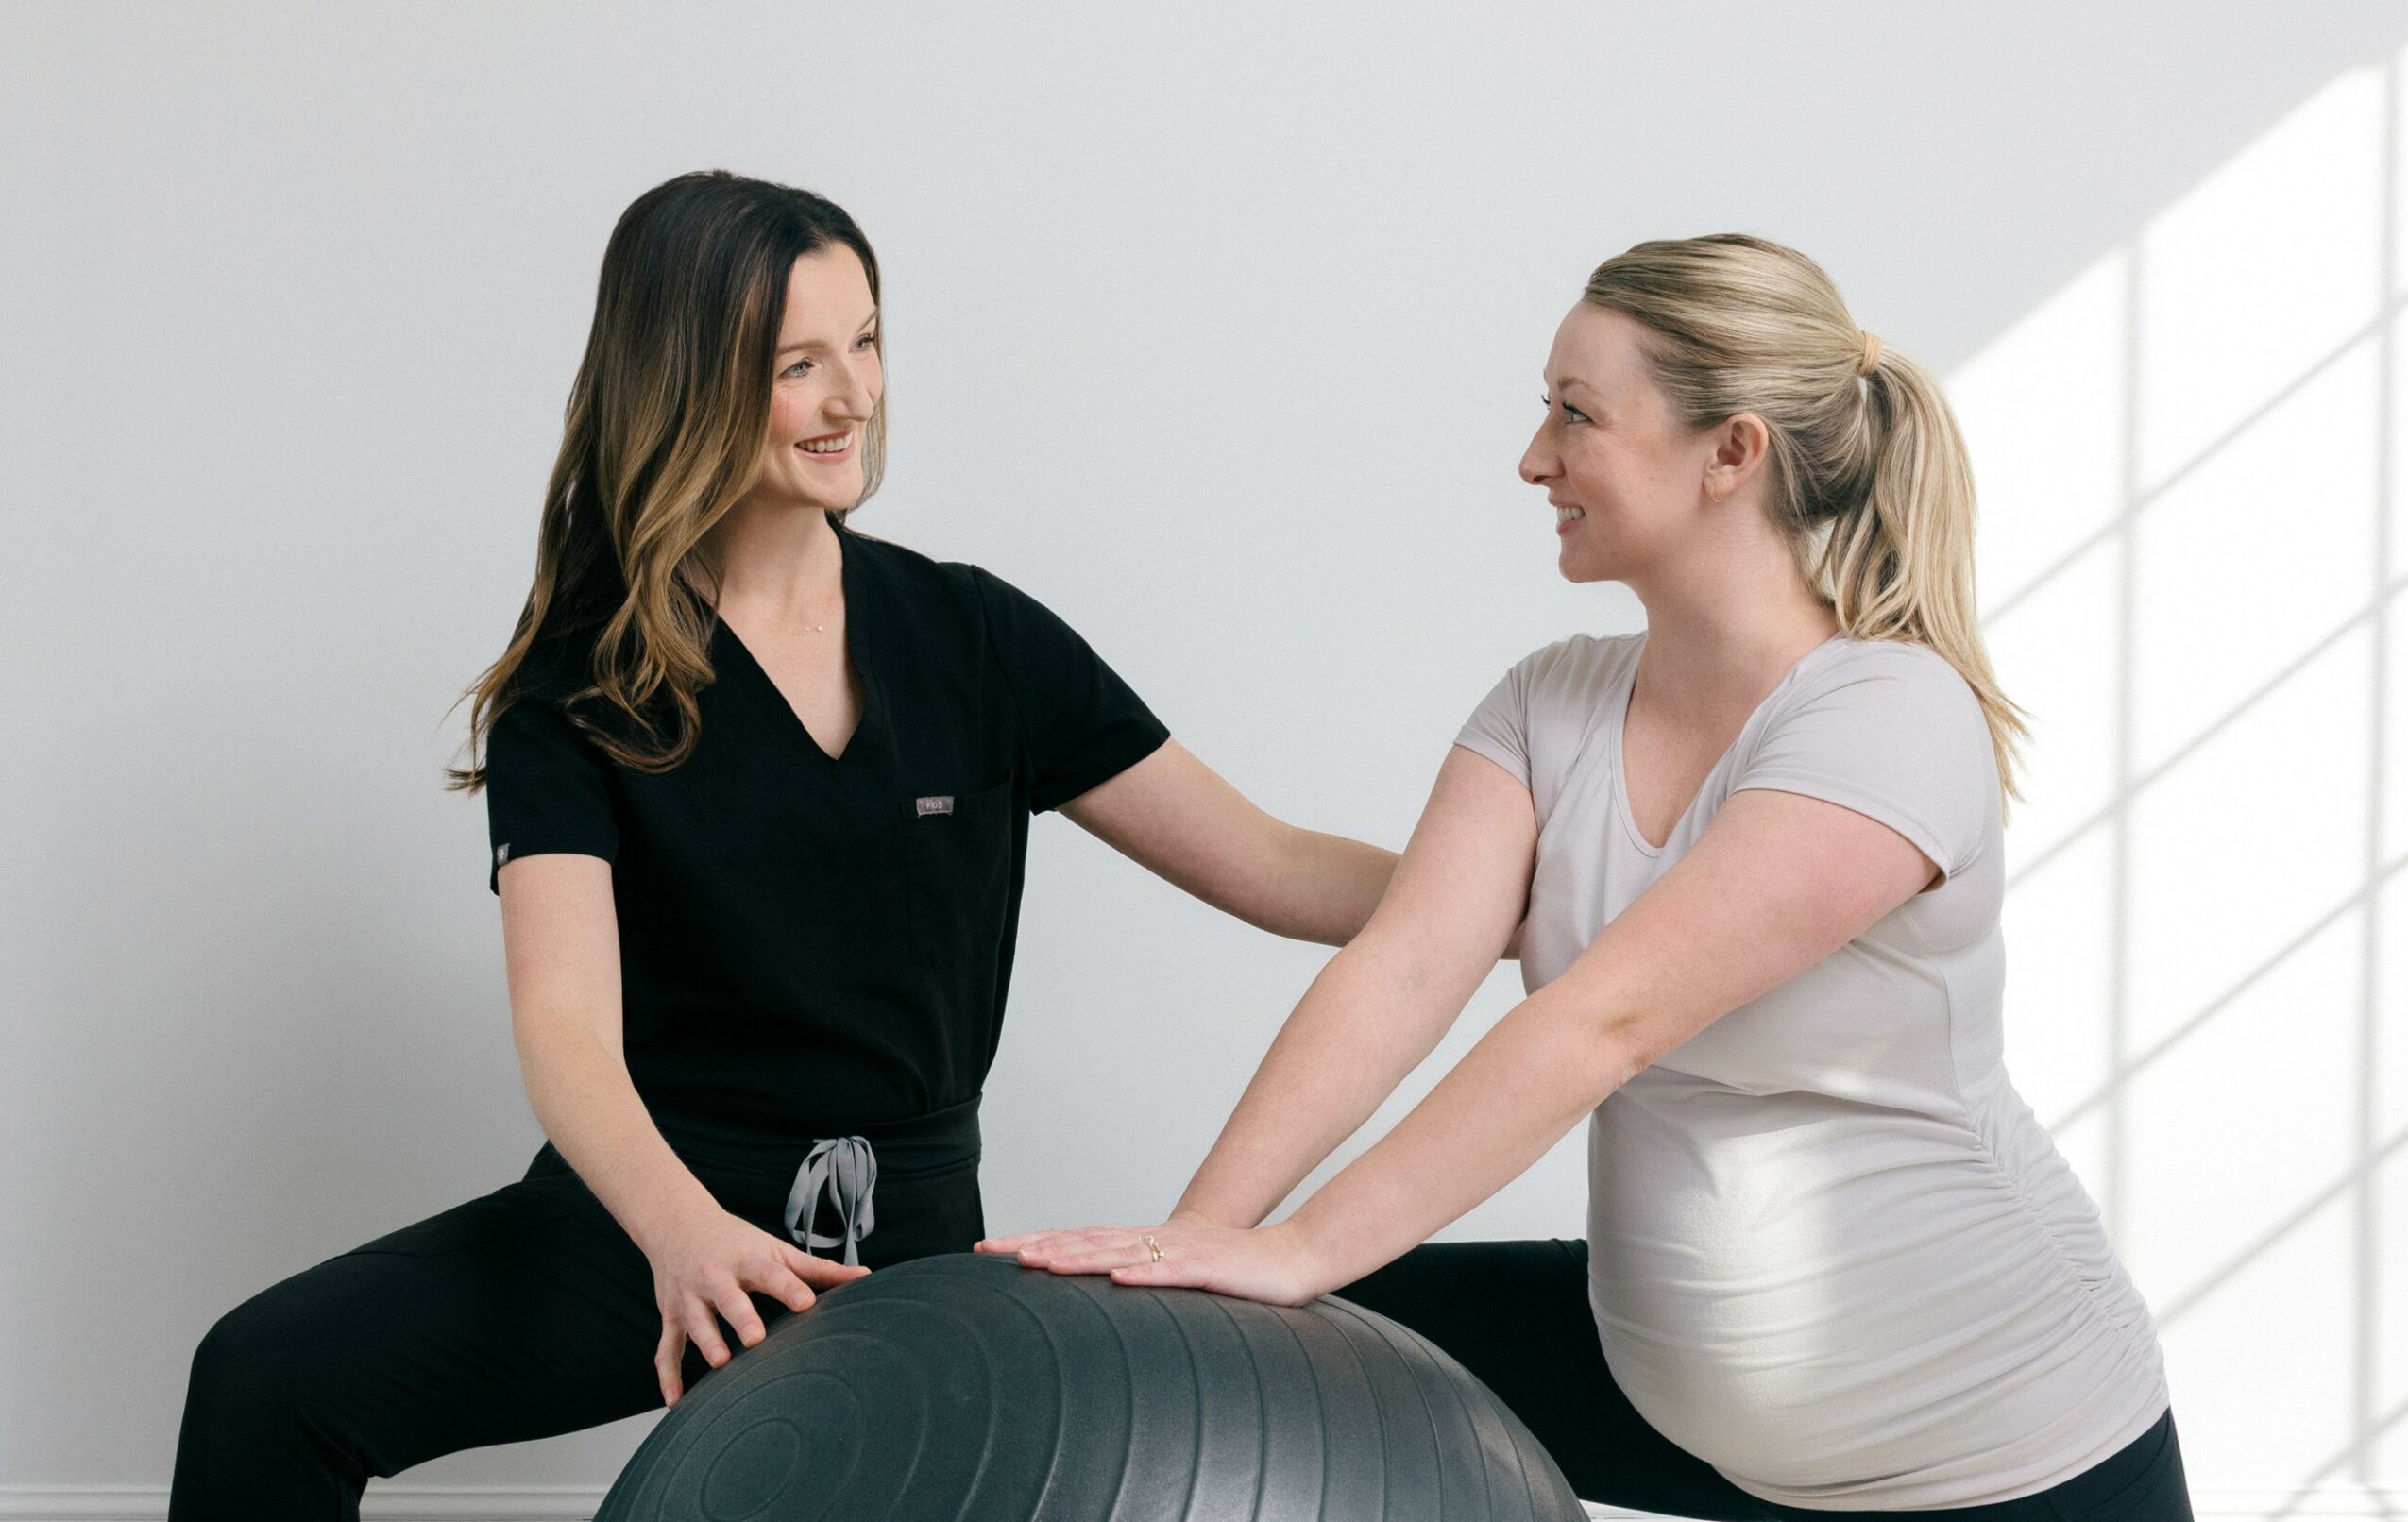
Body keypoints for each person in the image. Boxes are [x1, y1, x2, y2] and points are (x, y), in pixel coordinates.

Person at [166, 170, 1399, 1519]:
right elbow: (565, 1025)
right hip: (650, 1220)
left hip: (908, 1248)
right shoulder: (582, 689)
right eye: (796, 365)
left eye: (864, 343)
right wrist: (680, 1236)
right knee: (264, 1380)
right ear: (684, 386)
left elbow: (1275, 868)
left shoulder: (973, 638)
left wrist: (1540, 886)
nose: (853, 396)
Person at [983, 234, 2193, 1521]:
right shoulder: (1547, 703)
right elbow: (1402, 968)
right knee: (1234, 1345)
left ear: (1730, 454)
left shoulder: (1885, 715)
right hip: (1676, 1395)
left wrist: (1299, 1249)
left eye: (1575, 415)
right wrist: (1196, 1252)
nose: (1532, 458)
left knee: (1306, 1287)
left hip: (2005, 1454)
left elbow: (1600, 1023)